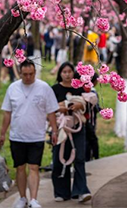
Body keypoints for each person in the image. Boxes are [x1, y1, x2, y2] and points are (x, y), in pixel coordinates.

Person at [0, 59, 59, 208]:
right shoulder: (13, 88)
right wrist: (2, 134)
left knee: (34, 167)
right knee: (20, 168)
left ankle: (33, 199)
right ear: (20, 73)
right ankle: (22, 198)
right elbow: (7, 113)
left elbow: (51, 111)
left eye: (31, 74)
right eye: (25, 74)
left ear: (35, 72)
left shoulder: (44, 88)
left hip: (36, 135)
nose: (28, 77)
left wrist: (54, 131)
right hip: (17, 135)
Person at [51, 62, 92, 203]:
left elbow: (88, 104)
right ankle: (61, 192)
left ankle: (81, 191)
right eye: (64, 72)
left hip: (78, 127)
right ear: (60, 74)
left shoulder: (79, 88)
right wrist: (60, 107)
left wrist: (80, 105)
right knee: (60, 158)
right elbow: (49, 108)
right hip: (60, 127)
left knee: (79, 158)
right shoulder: (55, 89)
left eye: (70, 71)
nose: (67, 74)